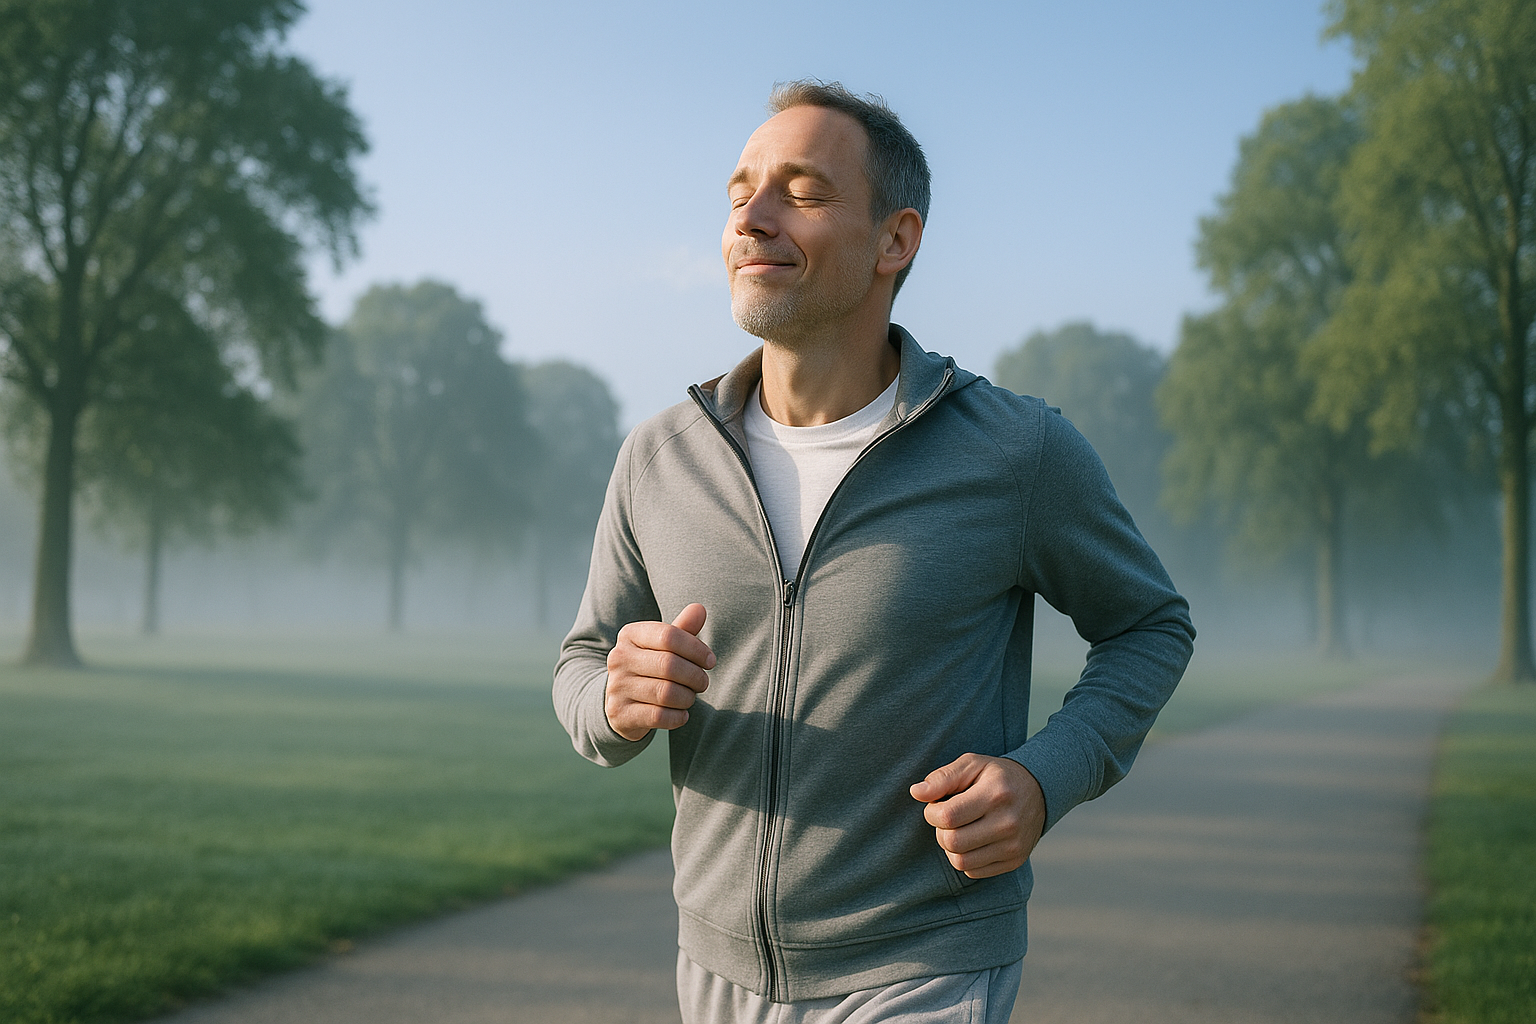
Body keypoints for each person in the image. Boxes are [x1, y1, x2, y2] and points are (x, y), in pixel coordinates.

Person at [553, 79, 1195, 1024]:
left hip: (923, 964)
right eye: (740, 193)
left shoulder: (1016, 452)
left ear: (896, 240)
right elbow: (581, 659)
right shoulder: (659, 455)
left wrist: (1045, 776)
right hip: (716, 970)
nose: (752, 218)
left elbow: (1148, 625)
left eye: (802, 194)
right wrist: (613, 698)